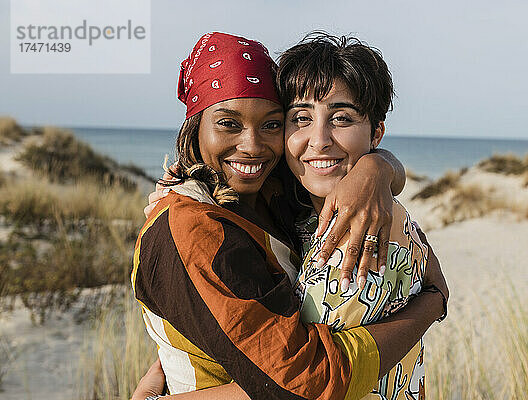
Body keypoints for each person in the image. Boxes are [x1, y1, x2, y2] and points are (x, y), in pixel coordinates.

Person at [132, 32, 447, 400]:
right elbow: (306, 382)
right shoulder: (197, 223)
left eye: (270, 124)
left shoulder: (301, 203)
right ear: (194, 127)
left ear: (376, 132)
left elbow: (302, 383)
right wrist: (433, 301)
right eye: (228, 123)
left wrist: (378, 168)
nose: (252, 145)